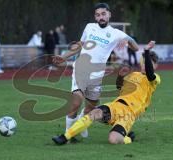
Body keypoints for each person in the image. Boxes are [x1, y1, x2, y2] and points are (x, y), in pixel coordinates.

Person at [52, 2, 139, 140]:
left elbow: (135, 47)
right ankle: (69, 133)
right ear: (95, 17)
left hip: (97, 75)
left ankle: (81, 121)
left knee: (91, 108)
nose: (101, 17)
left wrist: (128, 40)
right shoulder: (89, 27)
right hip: (81, 69)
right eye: (98, 15)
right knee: (77, 101)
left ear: (109, 14)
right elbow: (80, 45)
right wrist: (63, 56)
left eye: (103, 14)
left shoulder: (116, 34)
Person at [52, 41, 160, 145]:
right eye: (145, 62)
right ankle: (65, 137)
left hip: (129, 113)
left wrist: (146, 51)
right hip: (116, 106)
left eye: (149, 63)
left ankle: (128, 138)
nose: (145, 65)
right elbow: (119, 87)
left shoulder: (154, 79)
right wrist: (120, 76)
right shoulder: (134, 74)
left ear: (155, 66)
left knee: (113, 140)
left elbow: (150, 74)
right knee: (93, 113)